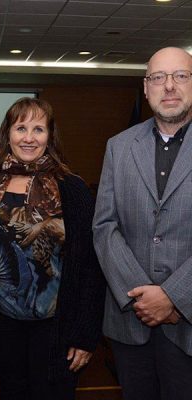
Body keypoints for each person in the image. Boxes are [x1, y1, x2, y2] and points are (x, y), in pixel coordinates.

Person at [0, 97, 106, 400]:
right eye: (21, 128)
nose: (29, 137)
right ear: (8, 134)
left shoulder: (72, 188)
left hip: (55, 324)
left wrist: (86, 334)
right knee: (12, 391)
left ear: (50, 137)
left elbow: (92, 265)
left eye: (38, 129)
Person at [93, 47, 192, 400]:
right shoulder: (118, 147)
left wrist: (173, 298)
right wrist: (143, 296)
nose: (169, 86)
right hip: (130, 321)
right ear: (146, 87)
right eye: (158, 78)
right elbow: (104, 226)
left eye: (180, 76)